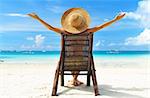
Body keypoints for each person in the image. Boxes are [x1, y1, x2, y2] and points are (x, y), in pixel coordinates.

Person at [28, 8, 125, 86]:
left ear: (69, 24)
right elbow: (101, 27)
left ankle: (74, 79)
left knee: (71, 56)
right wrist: (115, 19)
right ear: (82, 23)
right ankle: (75, 79)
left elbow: (50, 28)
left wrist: (38, 18)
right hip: (84, 62)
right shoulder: (88, 32)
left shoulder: (64, 32)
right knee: (80, 56)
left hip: (67, 62)